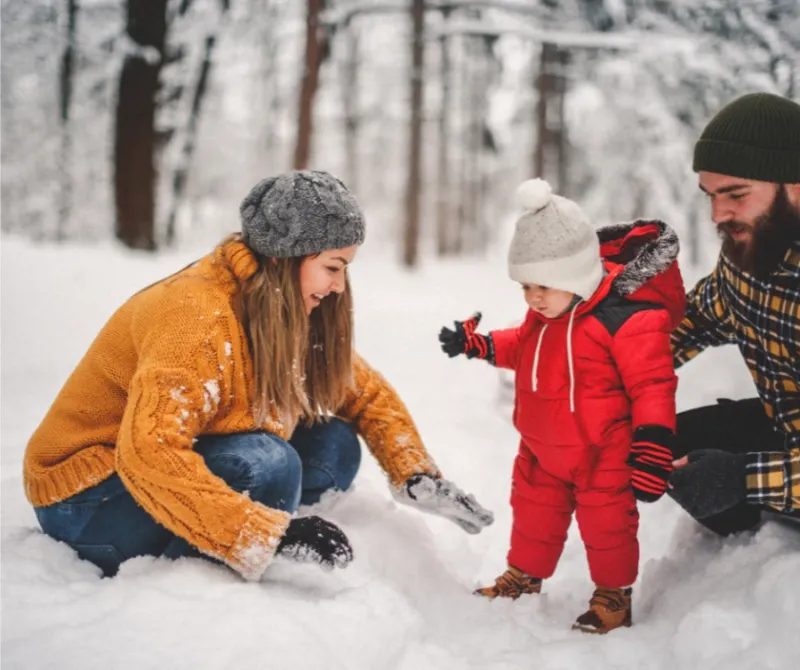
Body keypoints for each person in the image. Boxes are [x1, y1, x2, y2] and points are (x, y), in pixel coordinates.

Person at [24, 170, 493, 580]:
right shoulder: (195, 318)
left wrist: (416, 475)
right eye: (332, 267)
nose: (338, 286)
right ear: (285, 258)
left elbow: (362, 390)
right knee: (270, 462)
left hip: (140, 476)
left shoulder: (276, 309)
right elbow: (149, 452)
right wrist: (264, 534)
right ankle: (207, 567)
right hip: (88, 500)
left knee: (333, 443)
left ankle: (229, 526)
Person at [439, 179, 685, 633]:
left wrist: (653, 443)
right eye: (526, 286)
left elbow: (653, 384)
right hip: (541, 448)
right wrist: (480, 345)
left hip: (602, 451)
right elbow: (522, 346)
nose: (533, 297)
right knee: (533, 517)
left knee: (608, 525)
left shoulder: (626, 317)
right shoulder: (544, 315)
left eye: (544, 285)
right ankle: (523, 576)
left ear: (574, 275)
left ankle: (613, 594)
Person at [669, 92, 800, 534]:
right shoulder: (754, 251)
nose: (717, 214)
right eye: (710, 195)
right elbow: (698, 318)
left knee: (721, 477)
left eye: (736, 194)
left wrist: (743, 479)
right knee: (659, 446)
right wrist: (598, 364)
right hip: (787, 434)